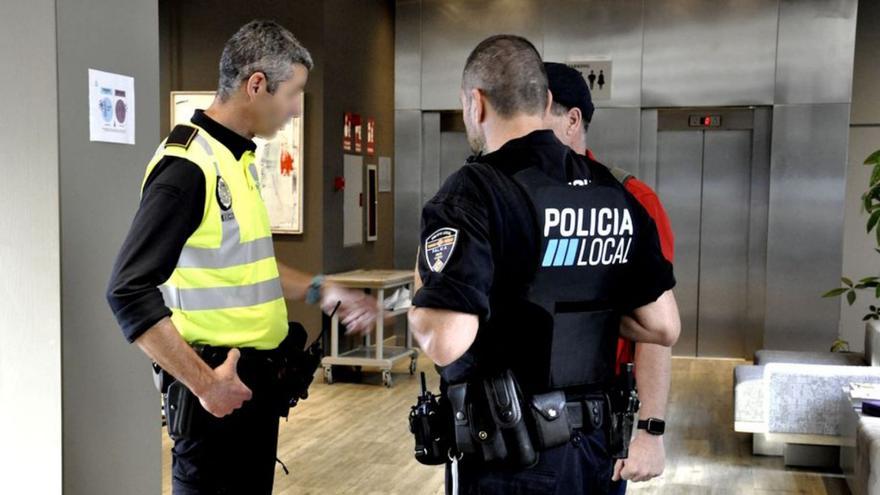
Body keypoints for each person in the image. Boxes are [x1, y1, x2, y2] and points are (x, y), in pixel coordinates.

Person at [106, 20, 378, 495]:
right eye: (292, 94)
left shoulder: (238, 159)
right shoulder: (187, 168)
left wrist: (321, 288)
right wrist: (206, 385)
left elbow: (248, 269)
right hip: (214, 396)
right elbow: (127, 291)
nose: (296, 109)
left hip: (249, 393)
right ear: (256, 85)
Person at [408, 34, 681, 494]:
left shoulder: (474, 191)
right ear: (546, 100)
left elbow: (444, 341)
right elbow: (663, 326)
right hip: (597, 449)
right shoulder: (613, 192)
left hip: (512, 456)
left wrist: (423, 291)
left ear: (476, 104)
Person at [543, 62, 678, 492]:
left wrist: (650, 431)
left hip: (597, 415)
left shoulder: (630, 200)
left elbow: (655, 328)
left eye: (534, 119)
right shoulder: (513, 198)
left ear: (572, 120)